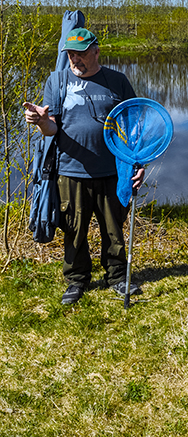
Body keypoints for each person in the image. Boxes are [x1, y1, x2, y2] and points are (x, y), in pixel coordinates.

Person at [23, 28, 144, 305]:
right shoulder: (57, 80)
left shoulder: (117, 81)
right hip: (70, 170)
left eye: (81, 54)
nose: (75, 60)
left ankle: (116, 278)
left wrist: (138, 163)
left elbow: (134, 125)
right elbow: (52, 128)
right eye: (71, 54)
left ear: (96, 51)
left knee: (113, 229)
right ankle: (76, 281)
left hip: (113, 170)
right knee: (73, 229)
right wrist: (41, 120)